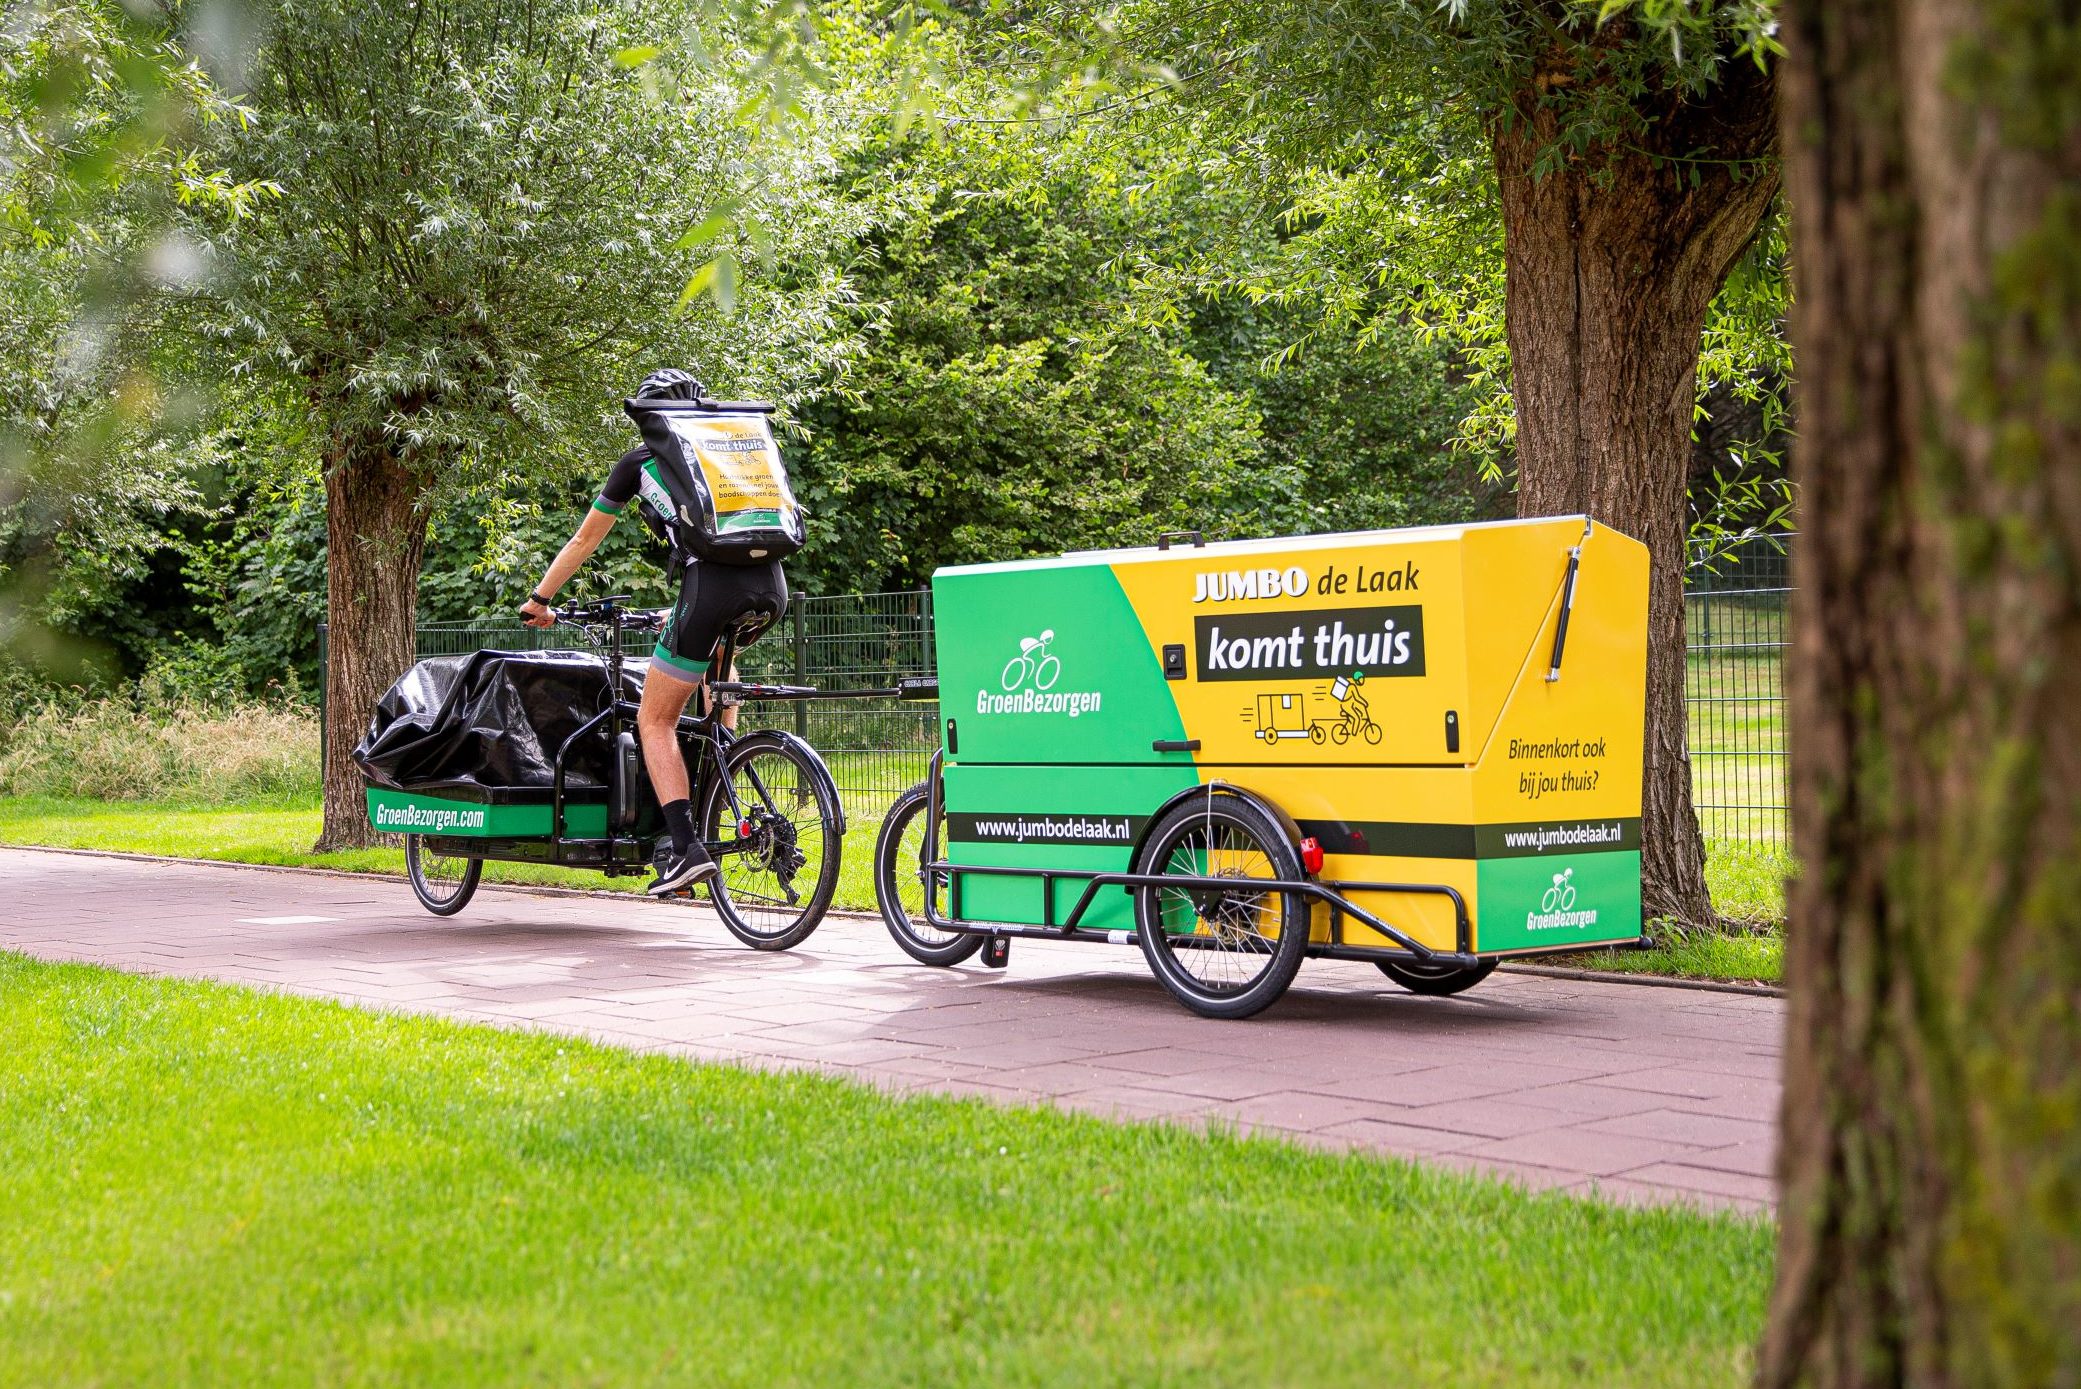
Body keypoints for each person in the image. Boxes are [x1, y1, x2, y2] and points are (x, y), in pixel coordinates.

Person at [518, 369, 788, 896]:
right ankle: (716, 783)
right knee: (713, 682)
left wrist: (541, 599)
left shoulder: (639, 463)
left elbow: (582, 542)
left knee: (655, 719)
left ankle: (686, 847)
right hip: (772, 586)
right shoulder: (727, 455)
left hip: (710, 589)